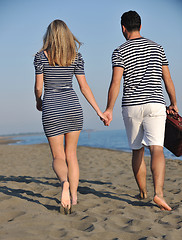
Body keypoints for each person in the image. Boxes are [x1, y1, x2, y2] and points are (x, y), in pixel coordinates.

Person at [104, 11, 178, 211]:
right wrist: (173, 103)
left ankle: (143, 193)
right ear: (141, 26)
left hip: (132, 106)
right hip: (155, 104)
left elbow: (115, 83)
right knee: (157, 148)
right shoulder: (157, 48)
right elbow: (167, 79)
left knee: (137, 150)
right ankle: (159, 194)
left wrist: (109, 109)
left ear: (123, 28)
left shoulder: (119, 51)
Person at [34, 19, 107, 214]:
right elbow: (84, 87)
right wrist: (99, 111)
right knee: (72, 155)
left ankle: (64, 183)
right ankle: (74, 197)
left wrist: (38, 100)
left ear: (49, 36)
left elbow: (39, 86)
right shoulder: (76, 57)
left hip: (52, 108)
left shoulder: (41, 57)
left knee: (58, 156)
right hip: (73, 108)